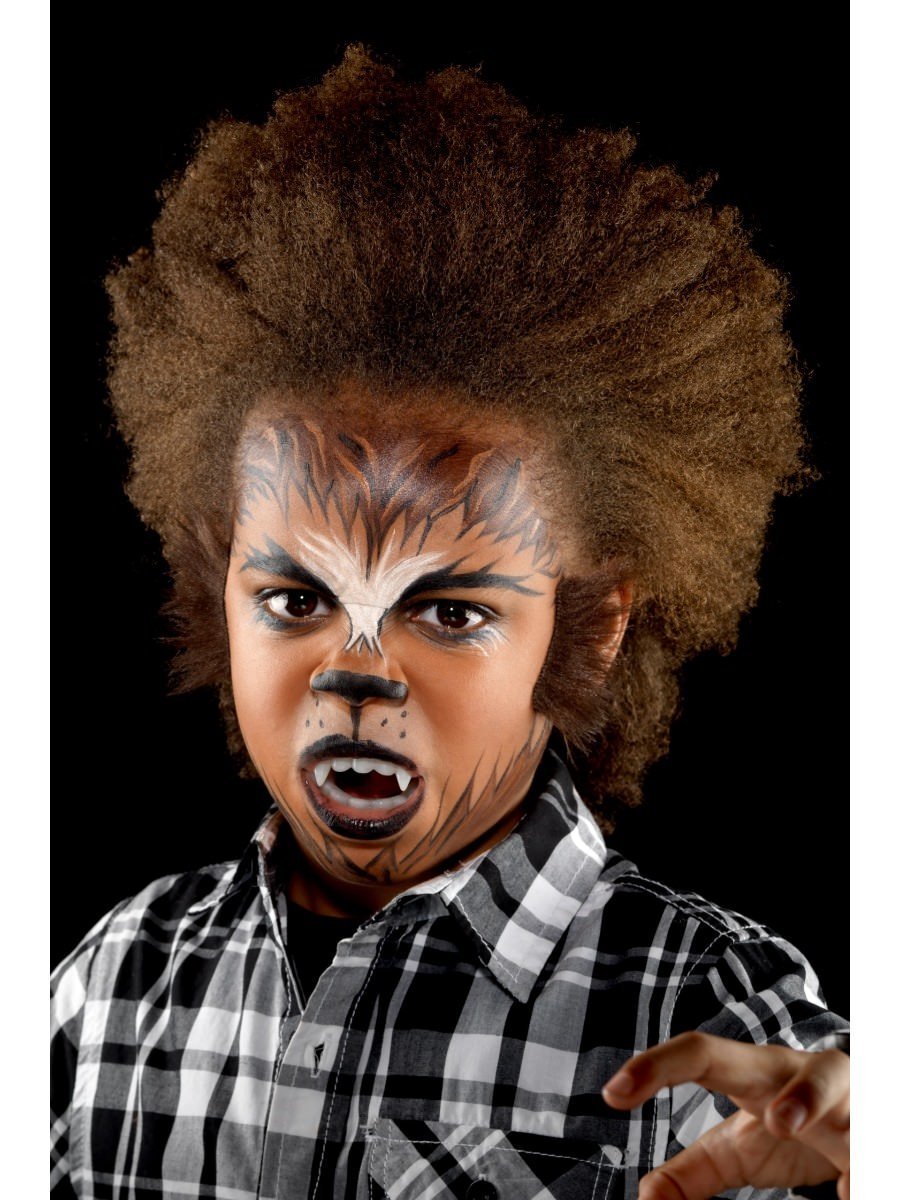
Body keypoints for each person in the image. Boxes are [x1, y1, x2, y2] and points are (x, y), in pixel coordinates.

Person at [51, 44, 849, 1200]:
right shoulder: (115, 977)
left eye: (450, 610)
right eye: (296, 600)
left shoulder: (702, 1013)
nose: (355, 675)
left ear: (589, 630)